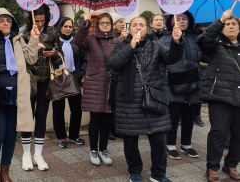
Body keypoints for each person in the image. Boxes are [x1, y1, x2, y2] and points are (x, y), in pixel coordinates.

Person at [108, 17, 184, 182]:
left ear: (147, 28)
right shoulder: (122, 45)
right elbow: (114, 63)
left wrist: (177, 42)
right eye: (134, 25)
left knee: (159, 138)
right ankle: (134, 171)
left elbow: (171, 58)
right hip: (129, 101)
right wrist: (131, 46)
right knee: (130, 140)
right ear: (129, 29)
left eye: (141, 25)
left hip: (153, 99)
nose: (138, 28)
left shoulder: (154, 44)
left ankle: (158, 174)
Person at [0, 8, 40, 182]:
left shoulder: (17, 39)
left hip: (16, 96)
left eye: (9, 20)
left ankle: (5, 172)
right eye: (2, 20)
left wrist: (34, 39)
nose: (6, 23)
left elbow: (31, 59)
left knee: (11, 137)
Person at [197, 10, 240, 182]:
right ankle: (212, 167)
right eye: (227, 24)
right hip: (219, 96)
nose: (230, 27)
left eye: (234, 24)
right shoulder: (214, 45)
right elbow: (203, 39)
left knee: (238, 134)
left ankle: (231, 164)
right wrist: (220, 20)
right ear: (222, 29)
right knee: (219, 132)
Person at [75, 13, 122, 166]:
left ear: (111, 24)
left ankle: (103, 149)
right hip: (95, 83)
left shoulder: (118, 41)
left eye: (107, 23)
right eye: (102, 23)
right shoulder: (91, 40)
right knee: (95, 119)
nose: (105, 25)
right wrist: (85, 22)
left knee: (107, 119)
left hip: (111, 84)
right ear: (97, 25)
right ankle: (93, 150)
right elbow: (78, 40)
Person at [20, 4, 63, 171]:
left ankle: (38, 154)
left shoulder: (52, 32)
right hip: (28, 80)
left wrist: (54, 54)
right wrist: (34, 46)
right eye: (36, 20)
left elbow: (60, 56)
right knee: (26, 117)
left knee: (41, 116)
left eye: (42, 20)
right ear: (30, 19)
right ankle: (26, 154)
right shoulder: (23, 32)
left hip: (46, 80)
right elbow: (20, 58)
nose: (39, 24)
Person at [160, 12, 203, 160]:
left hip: (192, 79)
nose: (181, 21)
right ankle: (170, 145)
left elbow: (202, 55)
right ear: (172, 22)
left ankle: (186, 144)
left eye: (184, 19)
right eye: (177, 19)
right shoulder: (165, 38)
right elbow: (162, 60)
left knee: (189, 115)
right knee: (173, 115)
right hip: (173, 80)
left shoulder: (196, 37)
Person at [52, 17, 87, 149]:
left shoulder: (78, 42)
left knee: (76, 109)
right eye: (65, 26)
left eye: (70, 27)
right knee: (58, 109)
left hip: (74, 78)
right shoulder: (55, 42)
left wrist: (80, 73)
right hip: (58, 78)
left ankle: (74, 135)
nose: (68, 29)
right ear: (60, 27)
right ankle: (61, 136)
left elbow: (84, 59)